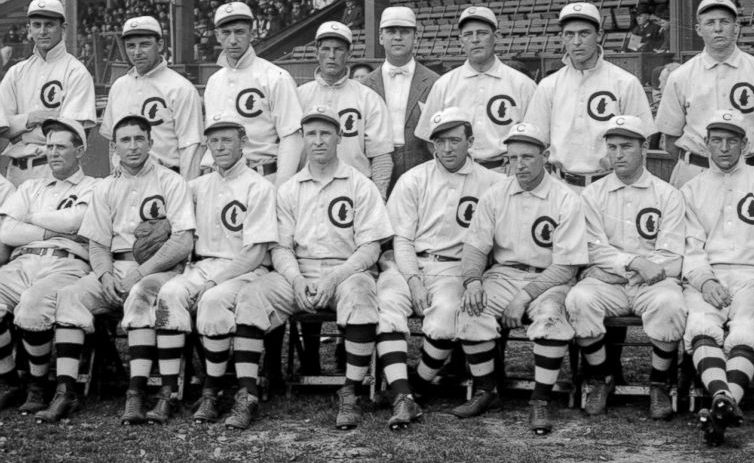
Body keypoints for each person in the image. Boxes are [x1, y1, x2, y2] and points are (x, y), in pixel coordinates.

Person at [36, 115, 196, 424]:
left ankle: (136, 394)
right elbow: (97, 242)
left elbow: (183, 240)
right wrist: (105, 275)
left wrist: (143, 270)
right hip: (115, 267)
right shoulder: (106, 186)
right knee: (71, 296)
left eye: (139, 139)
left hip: (158, 270)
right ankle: (65, 391)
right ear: (115, 146)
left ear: (151, 142)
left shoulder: (170, 181)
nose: (133, 146)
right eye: (125, 140)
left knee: (140, 294)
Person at [258, 106, 393, 430]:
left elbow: (371, 247)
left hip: (347, 270)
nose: (318, 141)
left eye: (325, 133)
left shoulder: (360, 184)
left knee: (361, 295)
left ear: (339, 137)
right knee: (253, 295)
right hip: (298, 271)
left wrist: (335, 277)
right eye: (311, 134)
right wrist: (294, 280)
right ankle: (249, 393)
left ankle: (351, 390)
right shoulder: (288, 189)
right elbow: (280, 246)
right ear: (303, 139)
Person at [149, 113, 278, 428]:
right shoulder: (196, 185)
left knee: (212, 300)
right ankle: (168, 391)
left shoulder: (259, 186)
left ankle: (212, 389)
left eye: (227, 140)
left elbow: (258, 251)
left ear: (243, 142)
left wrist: (215, 280)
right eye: (214, 140)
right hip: (201, 264)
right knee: (169, 293)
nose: (220, 147)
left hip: (244, 268)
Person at [375, 107, 502, 429]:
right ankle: (404, 398)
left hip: (454, 270)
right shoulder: (414, 178)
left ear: (470, 141)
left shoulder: (492, 182)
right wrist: (414, 281)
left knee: (446, 315)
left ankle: (414, 386)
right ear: (432, 145)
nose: (447, 148)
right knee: (387, 305)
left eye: (455, 140)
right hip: (410, 264)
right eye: (440, 141)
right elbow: (401, 240)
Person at [457, 121, 587, 432]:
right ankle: (488, 391)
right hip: (503, 274)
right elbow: (475, 247)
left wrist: (523, 297)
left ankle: (540, 401)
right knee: (470, 311)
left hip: (549, 278)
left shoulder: (566, 197)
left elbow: (567, 266)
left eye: (527, 157)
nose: (519, 165)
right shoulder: (495, 194)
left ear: (545, 155)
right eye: (512, 158)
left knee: (551, 319)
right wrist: (473, 281)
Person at [680, 109, 754, 446]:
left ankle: (719, 402)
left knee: (745, 328)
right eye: (717, 140)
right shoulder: (693, 188)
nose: (725, 148)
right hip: (710, 274)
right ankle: (724, 401)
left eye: (733, 141)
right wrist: (704, 280)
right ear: (707, 143)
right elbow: (690, 246)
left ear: (745, 144)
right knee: (701, 323)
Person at [565, 115, 687, 419]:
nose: (618, 154)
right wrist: (633, 262)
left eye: (626, 146)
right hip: (610, 284)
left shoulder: (667, 194)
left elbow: (672, 254)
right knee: (579, 299)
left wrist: (623, 267)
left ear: (643, 147)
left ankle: (659, 383)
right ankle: (601, 377)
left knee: (671, 303)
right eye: (612, 147)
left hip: (652, 283)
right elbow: (593, 248)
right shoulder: (593, 194)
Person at [0, 119, 97, 413]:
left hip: (66, 262)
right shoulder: (30, 186)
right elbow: (6, 232)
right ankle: (8, 381)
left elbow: (76, 222)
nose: (53, 152)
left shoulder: (95, 186)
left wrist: (28, 217)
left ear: (79, 151)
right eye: (49, 146)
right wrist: (50, 228)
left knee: (33, 304)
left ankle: (37, 384)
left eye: (61, 146)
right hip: (24, 259)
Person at [655, 0, 754, 188]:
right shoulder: (681, 76)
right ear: (698, 29)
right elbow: (670, 138)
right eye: (710, 23)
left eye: (725, 22)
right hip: (695, 172)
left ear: (736, 28)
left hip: (748, 174)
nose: (718, 29)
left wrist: (753, 162)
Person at [524, 2, 653, 189]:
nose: (576, 42)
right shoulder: (548, 85)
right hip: (560, 185)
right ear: (562, 37)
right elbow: (536, 141)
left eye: (584, 33)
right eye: (570, 34)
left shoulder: (625, 82)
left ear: (599, 35)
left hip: (610, 184)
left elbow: (641, 145)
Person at [414, 5, 536, 169]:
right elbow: (428, 136)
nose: (475, 39)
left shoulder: (522, 85)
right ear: (461, 40)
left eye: (482, 33)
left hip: (505, 172)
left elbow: (535, 137)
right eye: (468, 34)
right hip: (458, 173)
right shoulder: (444, 84)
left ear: (496, 37)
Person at [203, 1, 304, 187]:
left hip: (263, 178)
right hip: (220, 180)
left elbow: (292, 137)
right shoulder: (213, 82)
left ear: (252, 32)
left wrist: (282, 187)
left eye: (239, 32)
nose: (233, 40)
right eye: (226, 33)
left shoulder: (275, 77)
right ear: (217, 35)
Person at [0, 0, 96, 187]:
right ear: (29, 30)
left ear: (63, 28)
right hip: (16, 173)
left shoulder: (76, 72)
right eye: (37, 25)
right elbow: (1, 126)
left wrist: (21, 134)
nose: (42, 31)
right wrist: (31, 119)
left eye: (50, 24)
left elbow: (71, 135)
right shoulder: (16, 72)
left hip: (55, 173)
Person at [298, 21, 393, 200]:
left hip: (355, 189)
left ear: (349, 53)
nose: (331, 56)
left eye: (339, 49)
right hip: (308, 190)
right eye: (325, 49)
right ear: (316, 52)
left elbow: (381, 155)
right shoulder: (299, 96)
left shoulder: (367, 97)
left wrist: (379, 196)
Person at [100, 16, 204, 178]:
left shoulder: (180, 88)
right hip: (124, 180)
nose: (137, 52)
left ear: (160, 45)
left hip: (165, 178)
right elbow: (113, 144)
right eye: (131, 46)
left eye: (145, 44)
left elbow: (190, 146)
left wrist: (187, 192)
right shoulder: (119, 86)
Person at [361, 6, 439, 189]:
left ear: (415, 37)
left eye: (404, 32)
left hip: (422, 165)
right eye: (391, 31)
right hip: (376, 166)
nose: (397, 37)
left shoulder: (436, 83)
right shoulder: (363, 86)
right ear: (381, 37)